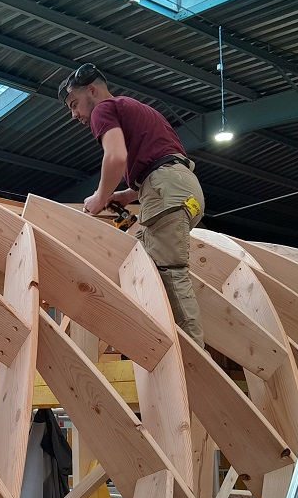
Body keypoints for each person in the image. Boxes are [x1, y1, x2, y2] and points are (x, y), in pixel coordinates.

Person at [59, 63, 205, 348]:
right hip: (179, 188)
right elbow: (159, 162)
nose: (74, 114)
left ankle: (191, 357)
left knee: (169, 272)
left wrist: (100, 197)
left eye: (75, 104)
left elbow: (115, 157)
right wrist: (126, 195)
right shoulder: (137, 108)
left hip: (166, 191)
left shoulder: (104, 108)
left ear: (92, 90)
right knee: (133, 256)